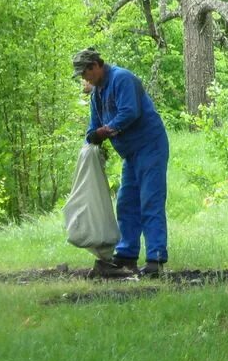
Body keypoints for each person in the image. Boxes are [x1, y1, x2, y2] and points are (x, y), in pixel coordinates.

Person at [73, 48, 170, 278]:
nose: (83, 78)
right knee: (126, 203)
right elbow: (92, 128)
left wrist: (104, 132)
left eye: (85, 72)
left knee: (150, 201)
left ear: (96, 65)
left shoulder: (122, 79)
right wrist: (93, 136)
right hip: (130, 154)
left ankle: (156, 259)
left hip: (150, 146)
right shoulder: (97, 95)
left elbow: (130, 112)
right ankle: (126, 256)